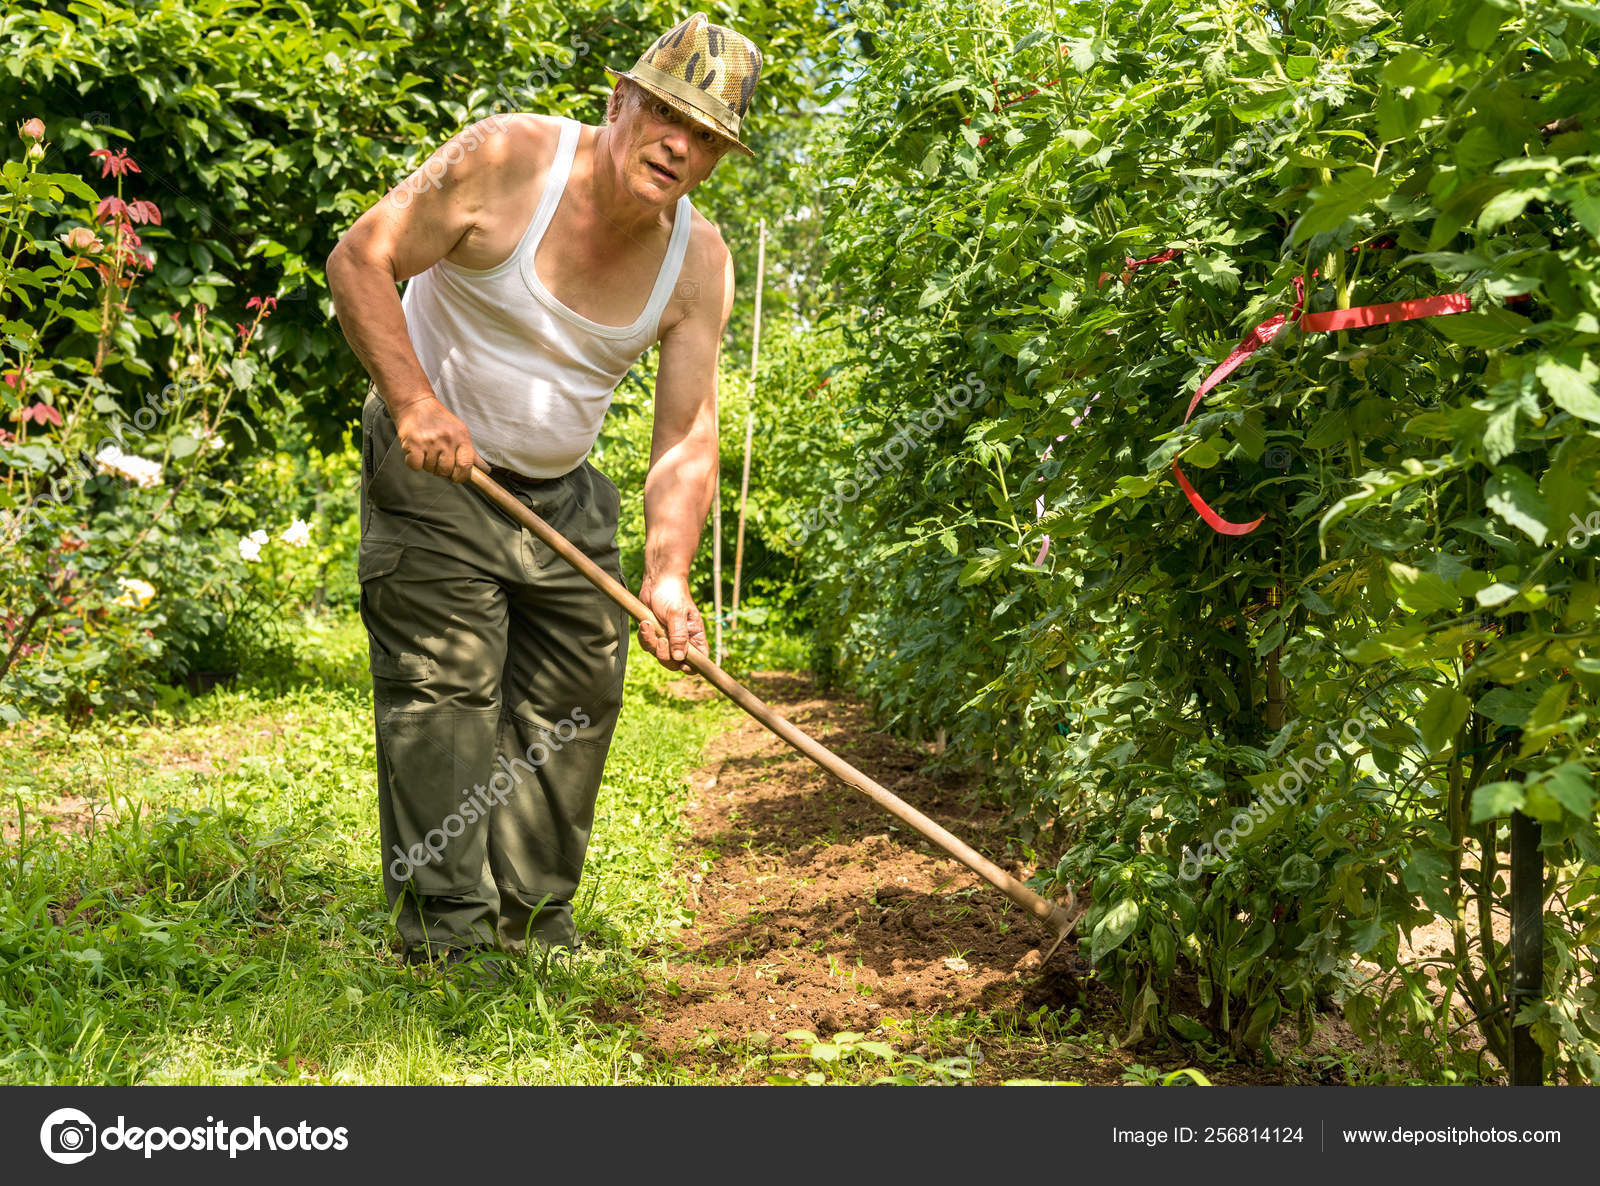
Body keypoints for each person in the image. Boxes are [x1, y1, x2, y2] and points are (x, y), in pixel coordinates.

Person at [325, 13, 764, 968]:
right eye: (665, 114)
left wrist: (671, 576)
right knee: (446, 691)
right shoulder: (506, 158)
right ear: (621, 101)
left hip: (560, 492)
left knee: (577, 689)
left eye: (708, 138)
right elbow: (360, 257)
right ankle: (449, 940)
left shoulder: (700, 259)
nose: (680, 145)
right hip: (436, 469)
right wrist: (414, 401)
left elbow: (687, 432)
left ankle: (531, 925)